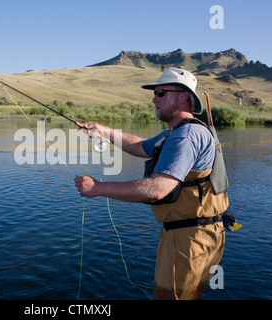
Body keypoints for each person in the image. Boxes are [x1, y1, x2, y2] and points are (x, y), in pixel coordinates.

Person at [74, 67, 229, 300]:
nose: (154, 99)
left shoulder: (186, 136)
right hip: (195, 234)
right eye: (154, 93)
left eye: (161, 93)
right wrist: (103, 131)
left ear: (184, 96)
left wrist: (98, 188)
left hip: (190, 239)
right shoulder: (176, 132)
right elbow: (139, 146)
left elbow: (158, 189)